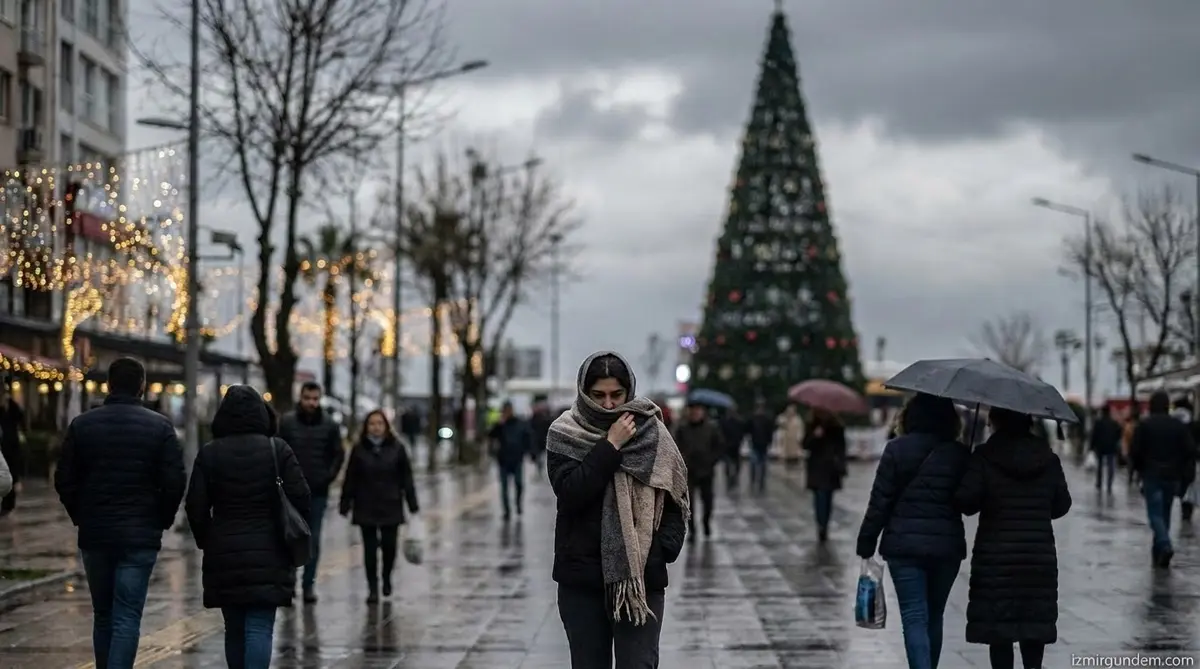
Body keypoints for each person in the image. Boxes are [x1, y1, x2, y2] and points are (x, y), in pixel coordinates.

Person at [546, 351, 689, 668]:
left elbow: (675, 496)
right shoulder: (564, 433)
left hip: (640, 580)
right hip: (582, 582)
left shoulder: (651, 433)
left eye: (616, 395)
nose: (608, 404)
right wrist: (609, 446)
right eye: (598, 395)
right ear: (584, 392)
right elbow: (571, 493)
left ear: (629, 392)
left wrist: (659, 551)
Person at [54, 357, 187, 668]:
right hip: (140, 535)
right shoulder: (160, 427)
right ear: (142, 386)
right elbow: (174, 482)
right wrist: (161, 520)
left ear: (109, 385)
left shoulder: (83, 425)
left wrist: (81, 515)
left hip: (96, 533)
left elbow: (64, 478)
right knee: (127, 615)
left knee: (103, 613)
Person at [184, 385, 309, 669]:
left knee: (234, 628)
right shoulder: (277, 449)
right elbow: (301, 496)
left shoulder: (210, 453)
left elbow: (195, 505)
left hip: (224, 549)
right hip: (270, 549)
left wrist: (207, 539)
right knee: (259, 628)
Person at [856, 393, 970, 669]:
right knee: (935, 615)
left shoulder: (896, 449)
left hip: (903, 547)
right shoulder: (958, 453)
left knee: (914, 615)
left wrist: (866, 543)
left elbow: (879, 501)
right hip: (946, 548)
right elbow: (968, 503)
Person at [955, 407, 1071, 669]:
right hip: (1037, 557)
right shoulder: (1048, 458)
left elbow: (966, 502)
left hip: (996, 558)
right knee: (1034, 625)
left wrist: (968, 467)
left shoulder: (984, 456)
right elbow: (1062, 505)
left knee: (999, 631)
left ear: (994, 421)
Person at [339, 409, 420, 602]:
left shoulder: (397, 448)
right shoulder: (359, 449)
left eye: (380, 424)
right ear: (366, 427)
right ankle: (372, 587)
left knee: (389, 546)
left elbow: (406, 478)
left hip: (390, 503)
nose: (376, 427)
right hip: (365, 504)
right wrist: (345, 502)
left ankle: (386, 578)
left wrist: (412, 504)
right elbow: (350, 478)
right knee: (369, 548)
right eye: (372, 424)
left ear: (386, 426)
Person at [277, 381, 345, 603]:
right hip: (290, 492)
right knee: (288, 537)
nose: (311, 403)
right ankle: (288, 583)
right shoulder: (287, 422)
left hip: (317, 491)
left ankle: (308, 584)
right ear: (301, 397)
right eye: (307, 398)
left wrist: (327, 477)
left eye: (315, 399)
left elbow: (338, 454)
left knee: (312, 539)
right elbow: (278, 450)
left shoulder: (329, 426)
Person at [1130, 391, 1195, 567]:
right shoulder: (1178, 426)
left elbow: (1135, 451)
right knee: (1164, 513)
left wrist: (1137, 470)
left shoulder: (1145, 425)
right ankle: (1158, 553)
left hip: (1152, 474)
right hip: (1172, 476)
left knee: (1155, 514)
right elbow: (1189, 451)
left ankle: (1164, 544)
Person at [673, 400, 724, 541]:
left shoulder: (711, 428)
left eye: (698, 410)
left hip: (706, 470)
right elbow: (675, 447)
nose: (695, 413)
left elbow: (719, 447)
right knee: (690, 503)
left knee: (708, 500)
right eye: (692, 410)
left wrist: (711, 460)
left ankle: (706, 523)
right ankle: (693, 530)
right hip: (689, 471)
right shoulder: (682, 428)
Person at [803, 407, 847, 541]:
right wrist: (815, 436)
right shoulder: (812, 425)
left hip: (831, 468)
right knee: (819, 497)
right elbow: (805, 445)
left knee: (827, 498)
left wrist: (841, 464)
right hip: (816, 467)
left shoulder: (837, 427)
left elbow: (842, 448)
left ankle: (824, 524)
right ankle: (821, 525)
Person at [489, 401, 533, 521]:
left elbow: (527, 437)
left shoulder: (520, 423)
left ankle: (518, 504)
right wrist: (499, 424)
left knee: (519, 484)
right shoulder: (500, 425)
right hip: (503, 460)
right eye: (505, 410)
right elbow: (491, 435)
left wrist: (529, 451)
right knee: (504, 487)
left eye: (509, 410)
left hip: (517, 459)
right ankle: (506, 511)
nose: (507, 412)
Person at [0, 387, 25, 515]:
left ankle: (9, 504)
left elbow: (20, 416)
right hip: (3, 445)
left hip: (11, 444)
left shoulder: (12, 407)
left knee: (11, 471)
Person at [1090, 404, 1122, 494]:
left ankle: (1099, 483)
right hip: (1111, 447)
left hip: (1100, 447)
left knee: (1099, 466)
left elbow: (1094, 435)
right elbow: (1119, 434)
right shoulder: (1114, 423)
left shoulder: (1098, 422)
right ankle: (1109, 484)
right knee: (1110, 466)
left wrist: (1091, 447)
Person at [747, 402, 774, 493]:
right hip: (758, 444)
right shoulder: (755, 419)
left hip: (761, 444)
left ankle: (758, 480)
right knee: (757, 464)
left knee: (759, 464)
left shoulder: (760, 419)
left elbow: (770, 431)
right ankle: (756, 480)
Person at [719, 406, 747, 491]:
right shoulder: (739, 421)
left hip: (728, 446)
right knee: (735, 464)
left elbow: (721, 433)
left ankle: (730, 477)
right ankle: (734, 477)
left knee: (729, 464)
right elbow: (742, 433)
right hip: (734, 446)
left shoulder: (724, 421)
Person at [529, 395, 554, 472]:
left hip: (543, 440)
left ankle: (541, 468)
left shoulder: (545, 418)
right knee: (539, 456)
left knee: (542, 456)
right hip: (538, 440)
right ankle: (539, 468)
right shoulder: (534, 418)